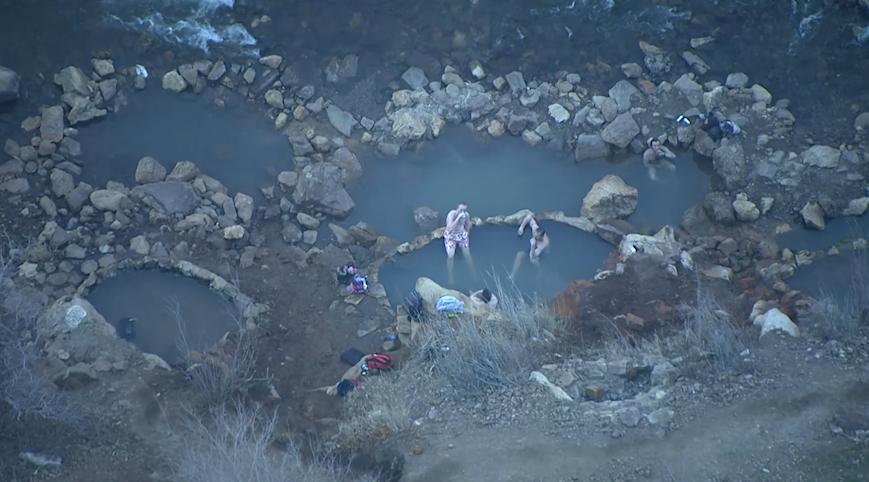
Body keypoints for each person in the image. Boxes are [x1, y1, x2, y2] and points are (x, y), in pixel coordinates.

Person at [512, 213, 550, 277]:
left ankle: (539, 274)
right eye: (535, 235)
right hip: (534, 248)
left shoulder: (543, 244)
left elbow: (533, 256)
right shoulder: (535, 229)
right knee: (519, 255)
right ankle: (512, 275)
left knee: (534, 262)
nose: (535, 236)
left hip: (538, 253)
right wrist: (521, 227)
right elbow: (529, 217)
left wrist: (532, 246)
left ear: (541, 237)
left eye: (537, 237)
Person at [444, 203, 474, 282]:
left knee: (467, 255)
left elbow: (467, 225)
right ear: (457, 209)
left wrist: (466, 233)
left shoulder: (466, 215)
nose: (462, 212)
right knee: (450, 256)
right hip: (451, 236)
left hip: (461, 235)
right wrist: (458, 218)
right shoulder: (452, 214)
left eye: (464, 210)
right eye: (461, 210)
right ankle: (451, 276)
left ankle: (473, 273)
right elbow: (449, 229)